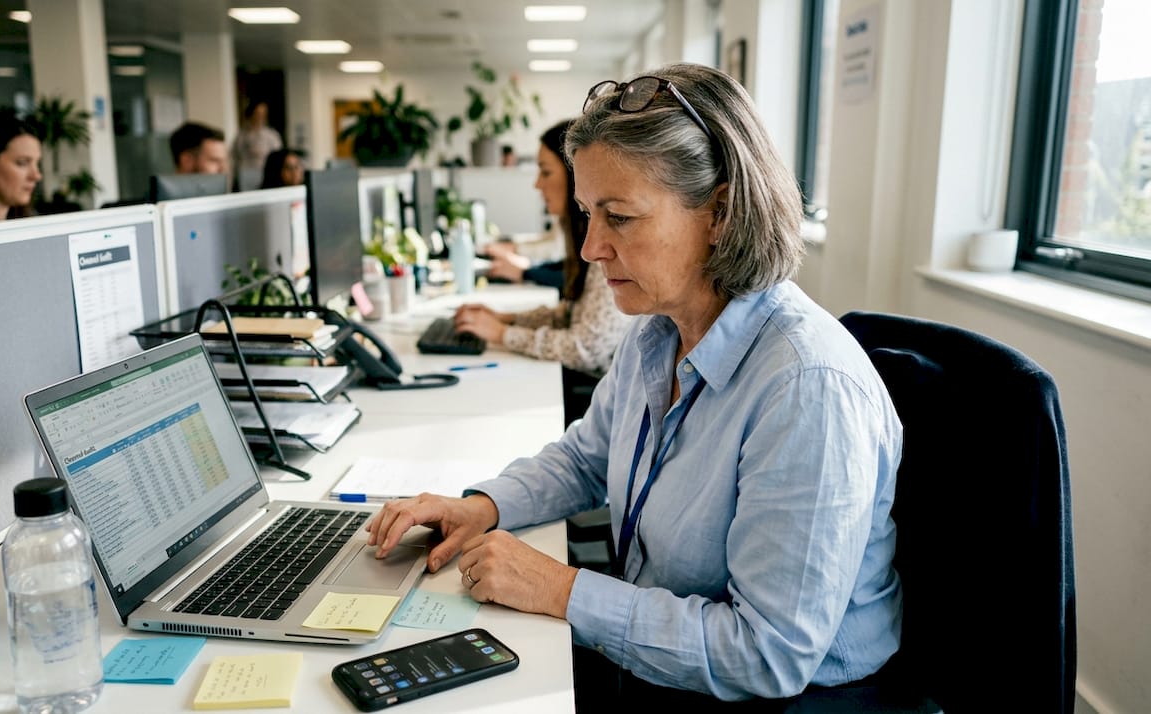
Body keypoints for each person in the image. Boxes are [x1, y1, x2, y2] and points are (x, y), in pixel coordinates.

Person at [368, 63, 904, 707]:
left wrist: (559, 589)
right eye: (588, 213)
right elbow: (587, 456)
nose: (592, 247)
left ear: (721, 212)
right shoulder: (661, 330)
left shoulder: (807, 389)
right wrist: (480, 506)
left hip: (786, 699)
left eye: (618, 216)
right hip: (664, 652)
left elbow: (767, 655)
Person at [451, 119, 634, 382]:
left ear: (575, 178)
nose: (537, 184)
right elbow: (569, 315)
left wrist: (503, 334)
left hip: (592, 388)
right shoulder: (580, 238)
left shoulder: (603, 249)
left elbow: (585, 348)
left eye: (546, 172)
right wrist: (507, 319)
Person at [232, 100, 283, 172]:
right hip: (247, 172)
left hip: (267, 172)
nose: (260, 117)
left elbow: (278, 155)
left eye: (263, 114)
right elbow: (236, 155)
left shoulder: (272, 135)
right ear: (251, 114)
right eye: (258, 113)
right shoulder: (241, 135)